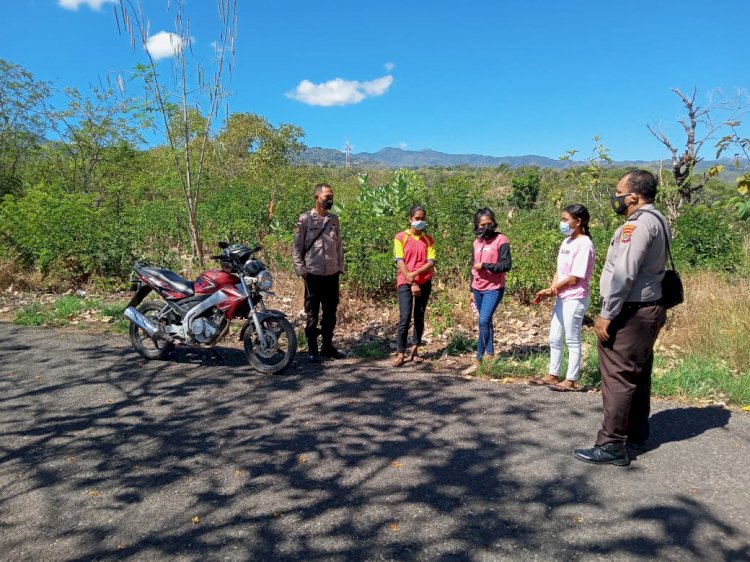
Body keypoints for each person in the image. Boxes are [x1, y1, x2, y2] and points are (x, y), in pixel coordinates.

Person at [574, 170, 669, 466]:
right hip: (649, 307)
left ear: (633, 197)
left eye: (619, 192)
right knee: (637, 374)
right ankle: (636, 433)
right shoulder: (659, 219)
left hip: (630, 311)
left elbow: (624, 274)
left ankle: (612, 444)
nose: (616, 198)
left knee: (618, 377)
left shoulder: (637, 225)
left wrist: (606, 314)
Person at [529, 204, 595, 391]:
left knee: (572, 339)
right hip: (562, 296)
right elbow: (560, 271)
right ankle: (553, 374)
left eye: (566, 220)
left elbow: (574, 278)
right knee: (555, 337)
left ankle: (571, 379)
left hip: (575, 298)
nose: (562, 223)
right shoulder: (566, 242)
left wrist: (553, 290)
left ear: (578, 221)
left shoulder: (585, 244)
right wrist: (552, 289)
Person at [292, 183, 345, 362]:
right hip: (312, 274)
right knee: (312, 313)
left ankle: (327, 347)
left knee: (330, 312)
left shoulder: (334, 219)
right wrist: (301, 270)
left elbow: (338, 245)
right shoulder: (305, 219)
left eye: (331, 197)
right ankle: (312, 349)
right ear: (317, 198)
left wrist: (340, 267)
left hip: (331, 274)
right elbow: (297, 247)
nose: (330, 200)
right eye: (326, 197)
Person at [464, 208, 511, 374]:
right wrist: (471, 288)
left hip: (494, 288)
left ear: (494, 222)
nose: (486, 227)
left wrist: (485, 266)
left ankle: (478, 358)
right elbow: (472, 267)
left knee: (483, 321)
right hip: (477, 288)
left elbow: (506, 265)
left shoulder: (501, 239)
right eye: (482, 224)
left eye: (489, 223)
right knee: (487, 321)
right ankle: (490, 355)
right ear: (477, 226)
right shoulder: (476, 243)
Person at [393, 205, 436, 367]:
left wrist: (415, 277)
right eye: (417, 218)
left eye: (422, 218)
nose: (420, 221)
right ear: (410, 219)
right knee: (404, 317)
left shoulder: (428, 239)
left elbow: (431, 262)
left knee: (419, 315)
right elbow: (399, 260)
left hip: (424, 281)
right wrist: (411, 280)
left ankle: (415, 350)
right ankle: (400, 352)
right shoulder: (400, 237)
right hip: (405, 281)